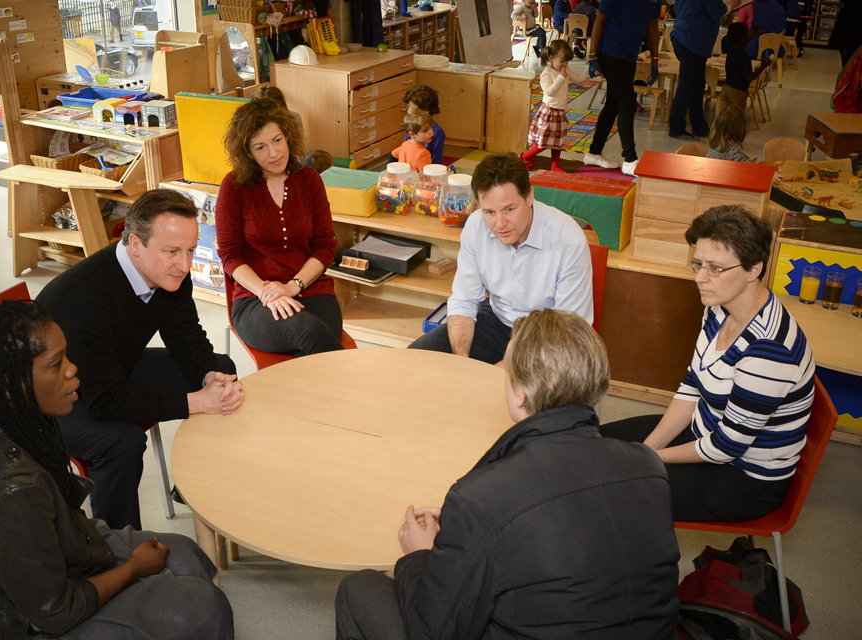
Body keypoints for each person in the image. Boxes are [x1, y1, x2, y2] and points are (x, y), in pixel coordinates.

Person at [337, 309, 682, 640]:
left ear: (520, 393)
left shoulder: (481, 496)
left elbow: (432, 632)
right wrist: (470, 528)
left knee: (358, 589)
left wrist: (418, 556)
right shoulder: (648, 467)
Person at [0, 301, 234, 640]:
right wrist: (134, 568)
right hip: (11, 624)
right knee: (203, 607)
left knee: (186, 553)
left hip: (35, 569)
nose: (72, 370)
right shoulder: (11, 489)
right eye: (56, 364)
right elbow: (56, 612)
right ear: (10, 382)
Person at [37, 189, 242, 531]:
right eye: (172, 252)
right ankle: (118, 546)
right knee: (121, 443)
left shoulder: (169, 271)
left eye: (190, 250)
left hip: (106, 370)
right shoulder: (88, 298)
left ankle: (198, 485)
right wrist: (195, 402)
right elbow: (105, 402)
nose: (185, 264)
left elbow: (185, 335)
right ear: (135, 244)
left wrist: (208, 377)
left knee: (223, 370)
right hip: (50, 401)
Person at [600, 206, 816, 522]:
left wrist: (650, 459)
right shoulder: (719, 307)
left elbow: (726, 446)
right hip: (702, 434)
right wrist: (648, 449)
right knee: (589, 446)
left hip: (741, 480)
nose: (700, 277)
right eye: (698, 264)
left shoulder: (768, 349)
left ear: (754, 269)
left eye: (714, 268)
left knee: (605, 489)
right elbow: (693, 385)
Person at [408, 152, 593, 364]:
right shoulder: (476, 226)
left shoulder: (569, 240)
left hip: (549, 335)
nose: (500, 224)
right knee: (415, 359)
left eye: (509, 209)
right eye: (490, 212)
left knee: (514, 392)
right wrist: (461, 364)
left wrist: (503, 371)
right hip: (496, 320)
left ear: (529, 196)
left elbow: (569, 331)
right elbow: (464, 301)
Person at [216, 99, 344, 357]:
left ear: (288, 137)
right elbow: (230, 255)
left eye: (277, 140)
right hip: (256, 298)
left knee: (315, 342)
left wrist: (292, 286)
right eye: (260, 147)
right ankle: (358, 393)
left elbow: (325, 246)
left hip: (310, 287)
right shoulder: (234, 186)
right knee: (309, 332)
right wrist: (267, 291)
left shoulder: (310, 180)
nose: (274, 153)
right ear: (248, 153)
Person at [583, 0, 661, 176]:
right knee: (627, 102)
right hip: (610, 52)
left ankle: (594, 153)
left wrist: (655, 60)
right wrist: (593, 56)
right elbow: (600, 21)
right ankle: (630, 159)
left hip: (629, 56)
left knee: (612, 104)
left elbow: (653, 25)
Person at [669, 0, 745, 140]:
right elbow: (717, 11)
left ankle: (699, 126)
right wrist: (733, 5)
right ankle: (676, 128)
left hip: (685, 36)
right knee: (687, 86)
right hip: (693, 40)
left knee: (696, 85)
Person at [520, 40, 592, 172]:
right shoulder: (546, 74)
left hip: (559, 111)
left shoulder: (564, 69)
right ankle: (524, 156)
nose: (565, 65)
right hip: (549, 111)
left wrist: (590, 72)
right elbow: (549, 91)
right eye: (562, 61)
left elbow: (577, 78)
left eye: (567, 62)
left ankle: (555, 166)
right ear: (551, 58)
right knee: (545, 142)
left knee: (557, 141)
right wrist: (560, 77)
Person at [720, 21, 772, 112]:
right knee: (736, 117)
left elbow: (742, 44)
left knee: (725, 115)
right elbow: (749, 77)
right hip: (738, 92)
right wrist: (763, 66)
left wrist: (753, 35)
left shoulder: (731, 50)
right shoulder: (745, 57)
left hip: (726, 88)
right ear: (744, 39)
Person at [399, 85, 445, 164]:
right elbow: (406, 149)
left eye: (412, 108)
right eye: (408, 107)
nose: (408, 111)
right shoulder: (412, 127)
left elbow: (436, 160)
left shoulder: (437, 132)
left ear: (426, 110)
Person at [392, 107, 434, 172]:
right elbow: (426, 176)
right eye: (425, 130)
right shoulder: (423, 153)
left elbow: (393, 154)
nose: (431, 132)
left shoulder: (405, 144)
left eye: (431, 128)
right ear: (412, 134)